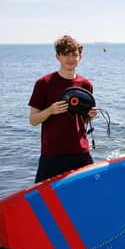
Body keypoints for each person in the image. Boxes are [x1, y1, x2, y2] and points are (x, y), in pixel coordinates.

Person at [29, 35, 97, 184]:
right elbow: (33, 120)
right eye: (66, 54)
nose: (70, 58)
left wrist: (90, 116)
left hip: (80, 151)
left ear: (80, 57)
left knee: (90, 192)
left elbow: (83, 120)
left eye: (74, 54)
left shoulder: (86, 84)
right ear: (57, 56)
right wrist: (50, 111)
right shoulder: (44, 83)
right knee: (43, 198)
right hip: (52, 153)